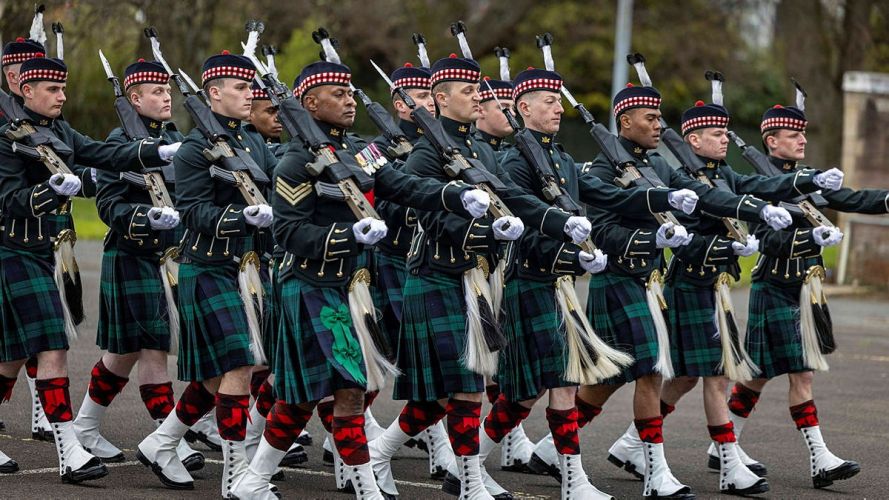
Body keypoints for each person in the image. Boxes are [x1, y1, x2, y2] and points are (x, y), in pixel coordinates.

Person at [231, 58, 492, 500]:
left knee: (345, 392)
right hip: (311, 286)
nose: (351, 100)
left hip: (351, 288)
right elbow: (288, 231)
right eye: (340, 94)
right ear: (310, 104)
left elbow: (402, 185)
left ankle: (258, 482)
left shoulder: (359, 150)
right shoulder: (296, 162)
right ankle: (264, 483)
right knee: (309, 397)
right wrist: (346, 234)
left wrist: (456, 194)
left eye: (351, 92)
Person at [368, 54, 595, 500]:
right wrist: (483, 225)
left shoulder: (482, 150)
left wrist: (557, 223)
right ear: (440, 98)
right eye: (469, 90)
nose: (479, 96)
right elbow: (425, 216)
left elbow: (511, 197)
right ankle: (468, 479)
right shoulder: (426, 152)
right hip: (437, 274)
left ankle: (380, 452)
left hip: (477, 280)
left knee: (439, 396)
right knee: (468, 387)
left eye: (477, 89)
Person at [0, 55, 177, 483]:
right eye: (53, 90)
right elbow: (8, 201)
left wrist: (157, 150)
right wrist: (48, 193)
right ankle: (69, 451)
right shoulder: (6, 137)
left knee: (11, 359)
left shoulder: (59, 130)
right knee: (53, 346)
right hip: (12, 251)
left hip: (44, 252)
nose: (62, 96)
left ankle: (72, 445)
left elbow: (102, 153)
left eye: (63, 89)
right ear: (26, 90)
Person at [723, 103, 889, 490]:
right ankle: (820, 459)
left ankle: (723, 444)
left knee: (758, 376)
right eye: (793, 135)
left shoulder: (807, 179)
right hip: (775, 287)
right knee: (802, 372)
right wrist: (810, 236)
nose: (802, 139)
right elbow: (765, 239)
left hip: (804, 289)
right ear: (771, 141)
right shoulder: (758, 186)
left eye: (803, 133)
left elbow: (852, 199)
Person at [135, 50, 276, 497]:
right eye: (240, 87)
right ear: (213, 94)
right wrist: (242, 220)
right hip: (210, 267)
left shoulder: (252, 142)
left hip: (249, 269)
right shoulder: (196, 149)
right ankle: (235, 479)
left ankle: (162, 441)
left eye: (250, 86)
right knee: (238, 364)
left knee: (224, 374)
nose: (249, 93)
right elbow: (192, 212)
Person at [71, 57, 204, 472]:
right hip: (133, 255)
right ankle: (166, 439)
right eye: (157, 92)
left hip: (168, 257)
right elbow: (109, 205)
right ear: (135, 98)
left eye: (168, 91)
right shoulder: (117, 141)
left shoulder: (178, 137)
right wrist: (145, 217)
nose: (167, 97)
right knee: (154, 348)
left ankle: (85, 425)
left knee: (123, 353)